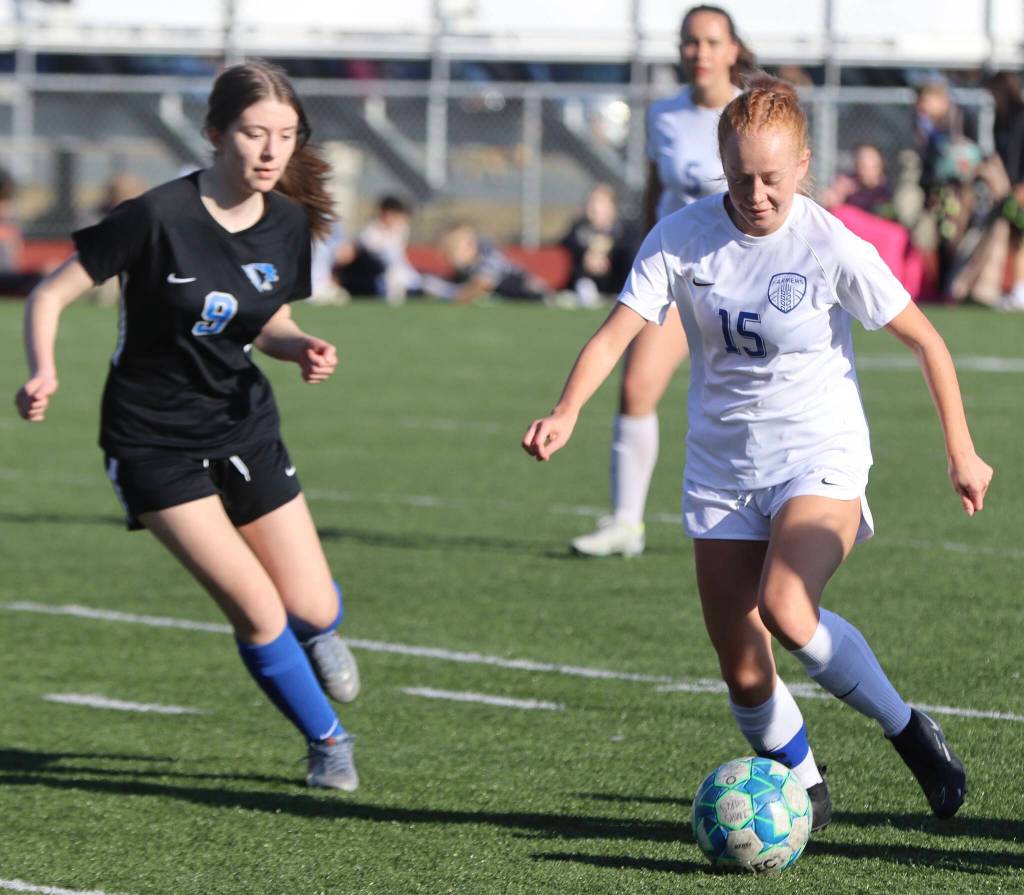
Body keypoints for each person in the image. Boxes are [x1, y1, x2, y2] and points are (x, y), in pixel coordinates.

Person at [523, 77, 993, 828]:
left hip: (820, 452)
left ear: (803, 165)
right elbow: (616, 332)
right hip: (721, 469)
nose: (757, 193)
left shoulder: (830, 241)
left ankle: (908, 729)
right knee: (742, 666)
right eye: (740, 177)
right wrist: (566, 409)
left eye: (773, 177)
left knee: (787, 607)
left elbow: (926, 340)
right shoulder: (681, 236)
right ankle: (804, 789)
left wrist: (961, 451)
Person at [14, 61, 363, 792]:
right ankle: (328, 741)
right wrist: (44, 369)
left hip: (242, 424)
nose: (271, 151)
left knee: (310, 604)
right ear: (214, 133)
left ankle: (322, 628)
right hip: (151, 441)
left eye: (286, 136)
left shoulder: (288, 222)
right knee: (257, 605)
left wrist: (299, 346)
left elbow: (268, 319)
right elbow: (48, 294)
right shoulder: (156, 216)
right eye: (254, 133)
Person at [570, 4, 756, 557]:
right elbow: (656, 191)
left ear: (733, 50)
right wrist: (643, 255)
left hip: (742, 276)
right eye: (689, 42)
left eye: (710, 42)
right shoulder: (665, 115)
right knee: (636, 387)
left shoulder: (752, 114)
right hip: (678, 275)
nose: (699, 53)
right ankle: (626, 523)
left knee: (746, 398)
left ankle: (767, 511)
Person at [434, 221, 550, 303]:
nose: (447, 255)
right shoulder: (466, 269)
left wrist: (452, 295)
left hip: (528, 291)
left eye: (453, 249)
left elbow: (480, 285)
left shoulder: (488, 259)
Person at [338, 194, 421, 303]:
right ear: (386, 213)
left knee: (421, 283)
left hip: (401, 275)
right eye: (397, 215)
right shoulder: (370, 233)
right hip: (374, 277)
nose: (401, 220)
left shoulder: (401, 230)